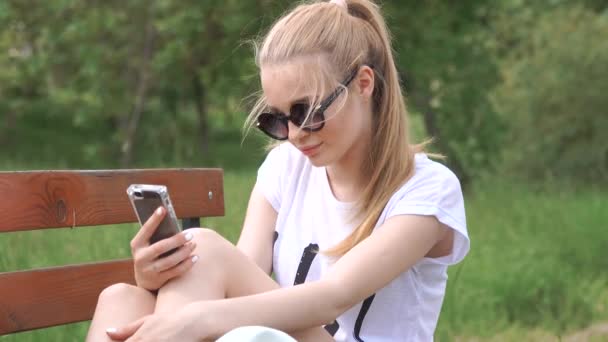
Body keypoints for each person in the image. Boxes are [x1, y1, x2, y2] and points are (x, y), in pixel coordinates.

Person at [86, 0, 469, 340]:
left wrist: (198, 317)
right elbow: (238, 275)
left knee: (203, 252)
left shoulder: (427, 189)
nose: (295, 135)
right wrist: (158, 276)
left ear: (363, 84)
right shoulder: (286, 167)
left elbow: (332, 298)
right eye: (278, 119)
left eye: (307, 111)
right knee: (121, 299)